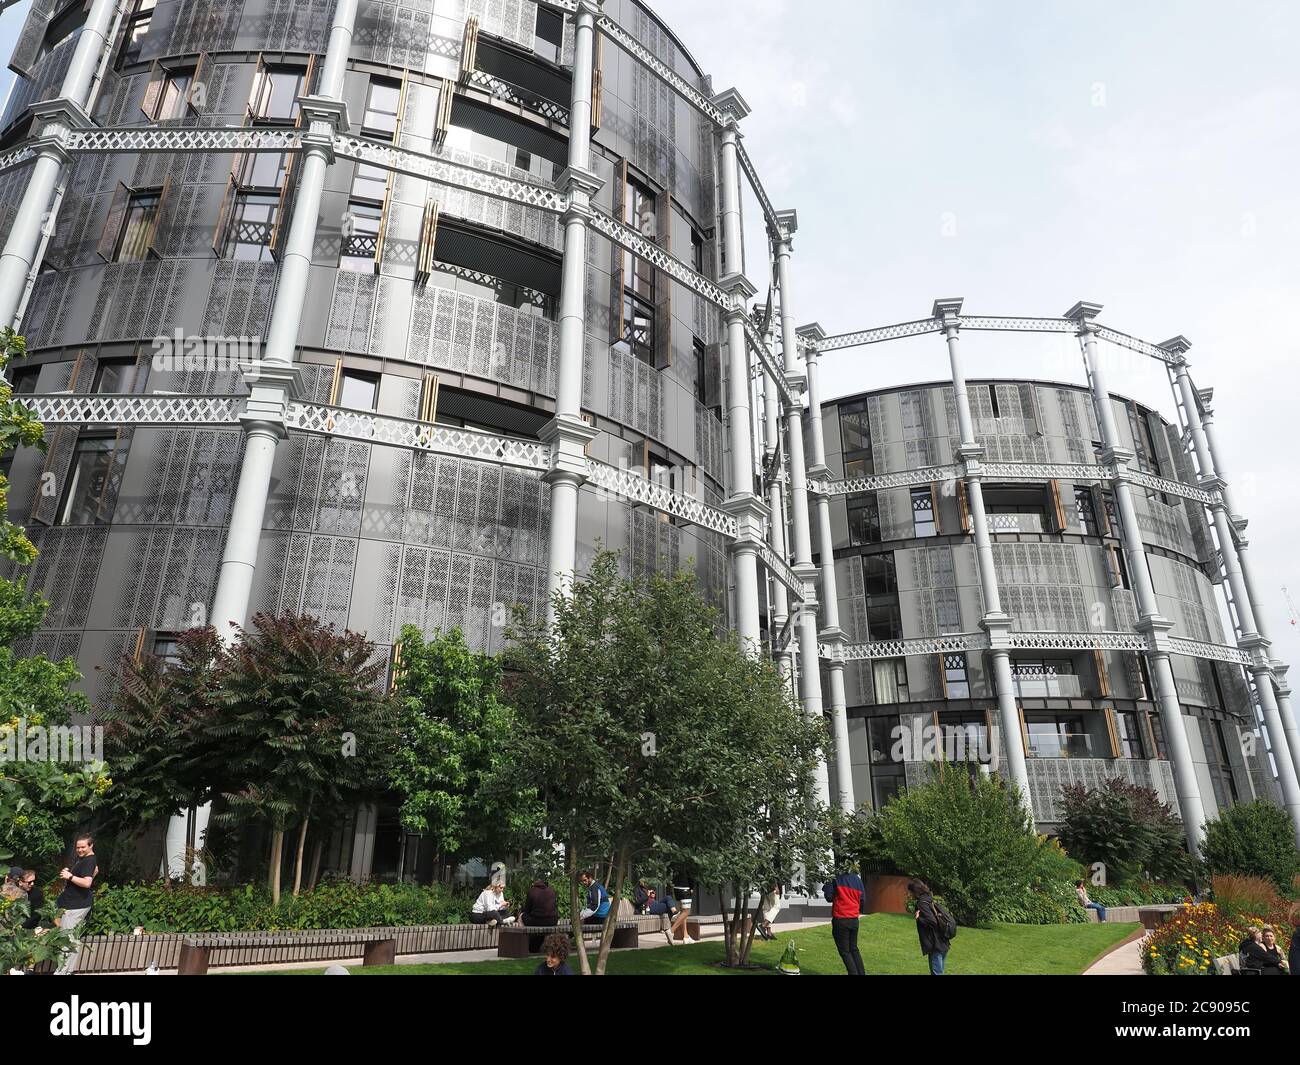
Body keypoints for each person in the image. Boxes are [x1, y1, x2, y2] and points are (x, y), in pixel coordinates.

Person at [54, 833, 98, 975]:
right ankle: (66, 971)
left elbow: (87, 883)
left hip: (75, 906)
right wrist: (71, 873)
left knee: (67, 940)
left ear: (91, 846)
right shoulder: (86, 859)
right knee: (71, 938)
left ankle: (62, 972)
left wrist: (70, 876)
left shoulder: (88, 860)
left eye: (83, 847)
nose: (80, 850)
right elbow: (95, 871)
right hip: (74, 903)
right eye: (78, 847)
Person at [822, 863, 868, 975]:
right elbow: (862, 900)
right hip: (853, 919)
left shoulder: (836, 879)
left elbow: (828, 897)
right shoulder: (857, 880)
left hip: (841, 918)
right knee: (854, 949)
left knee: (845, 951)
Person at [909, 879, 953, 975]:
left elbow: (932, 921)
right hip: (942, 941)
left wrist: (918, 918)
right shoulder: (929, 899)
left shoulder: (922, 903)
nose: (909, 894)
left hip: (935, 944)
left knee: (936, 973)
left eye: (910, 891)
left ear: (915, 891)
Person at [521, 877, 559, 952]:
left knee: (522, 916)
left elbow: (527, 910)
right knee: (539, 922)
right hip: (552, 921)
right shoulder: (552, 891)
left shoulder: (532, 891)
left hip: (537, 921)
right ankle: (533, 945)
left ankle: (522, 943)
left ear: (534, 883)